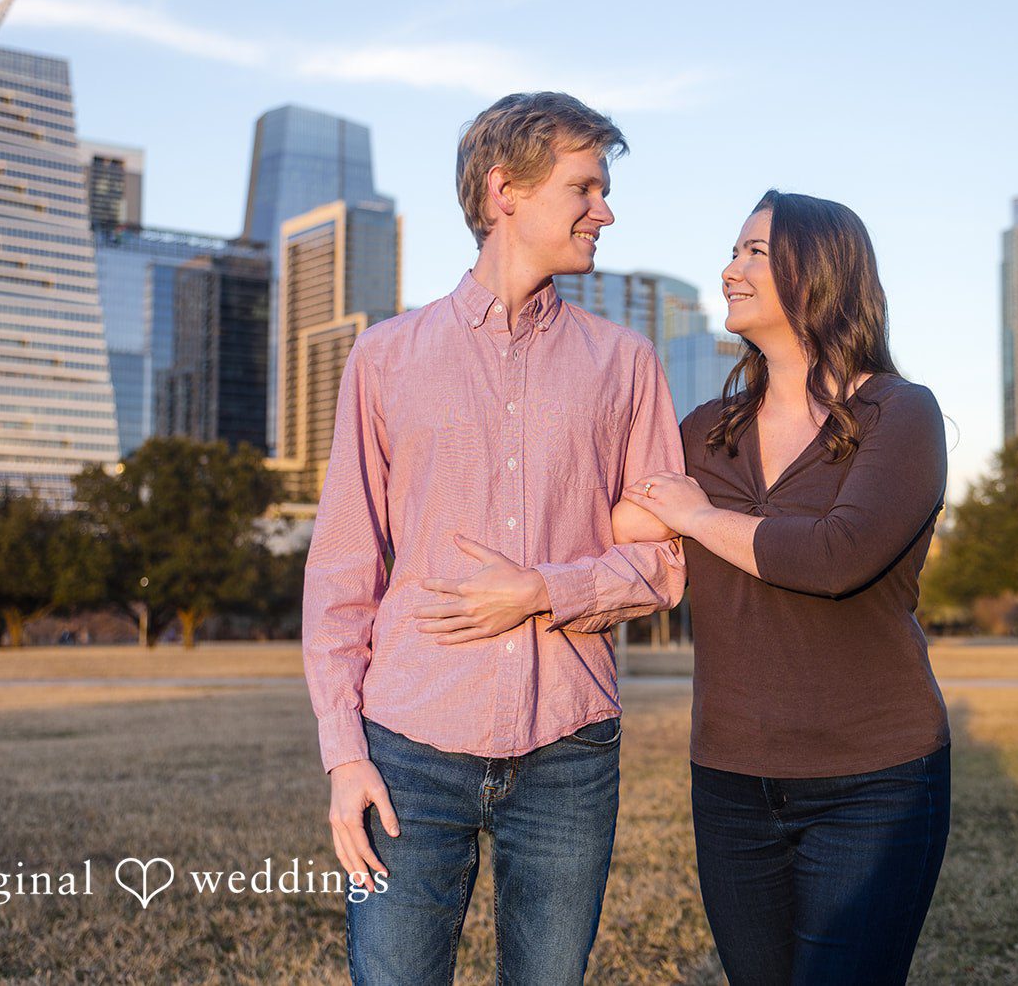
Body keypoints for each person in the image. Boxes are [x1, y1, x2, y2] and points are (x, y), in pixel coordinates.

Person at [302, 92, 687, 986]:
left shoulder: (627, 365)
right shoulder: (386, 359)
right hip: (406, 748)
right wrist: (344, 752)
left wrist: (543, 590)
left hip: (570, 751)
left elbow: (664, 566)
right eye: (585, 187)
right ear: (504, 189)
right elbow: (343, 570)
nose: (606, 210)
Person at [616, 190, 952, 982]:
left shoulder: (899, 415)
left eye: (754, 252)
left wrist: (697, 517)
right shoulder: (705, 429)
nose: (730, 268)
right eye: (734, 250)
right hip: (731, 782)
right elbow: (625, 524)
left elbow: (836, 556)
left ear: (821, 271)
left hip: (874, 781)